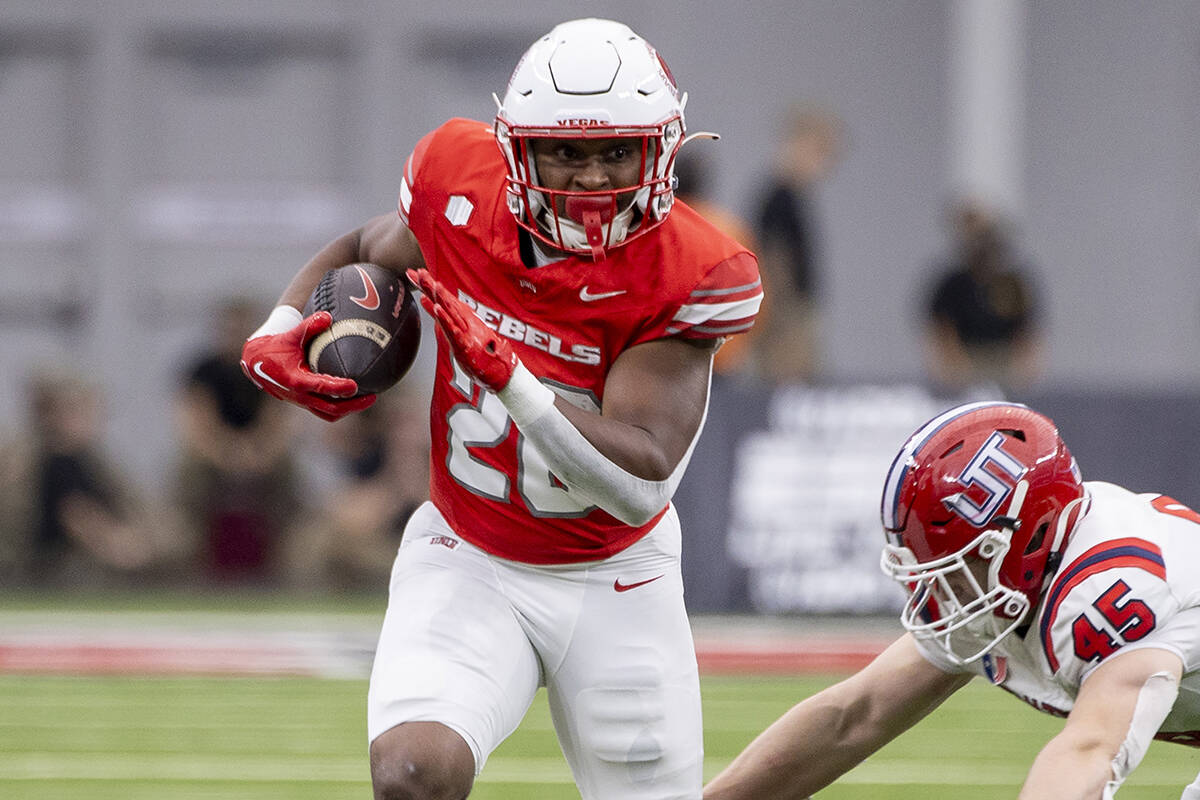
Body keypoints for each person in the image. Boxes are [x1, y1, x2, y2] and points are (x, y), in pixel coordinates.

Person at [239, 18, 762, 800]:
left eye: (616, 152)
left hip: (615, 574)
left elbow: (641, 483)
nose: (593, 178)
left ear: (659, 151)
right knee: (413, 774)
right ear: (517, 152)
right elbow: (367, 249)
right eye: (566, 154)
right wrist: (280, 328)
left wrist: (512, 377)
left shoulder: (690, 269)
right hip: (468, 551)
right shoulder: (458, 189)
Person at [704, 401, 1200, 800]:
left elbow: (1089, 753)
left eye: (958, 566)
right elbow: (854, 718)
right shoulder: (1017, 583)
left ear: (1029, 537)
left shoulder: (1110, 588)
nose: (942, 591)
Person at [0, 370, 184, 588]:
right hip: (48, 571)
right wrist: (129, 546)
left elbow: (133, 503)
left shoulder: (89, 459)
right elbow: (79, 518)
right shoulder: (53, 460)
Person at [174, 296, 304, 583]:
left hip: (261, 452)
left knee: (289, 474)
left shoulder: (270, 365)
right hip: (213, 453)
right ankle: (187, 556)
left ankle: (287, 558)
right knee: (189, 475)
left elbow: (281, 420)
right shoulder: (203, 372)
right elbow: (195, 426)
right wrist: (227, 453)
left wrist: (259, 453)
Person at [751, 104, 842, 383]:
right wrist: (780, 322)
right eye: (820, 152)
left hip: (791, 315)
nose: (824, 164)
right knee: (789, 385)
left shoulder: (789, 198)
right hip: (786, 319)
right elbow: (772, 261)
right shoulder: (779, 199)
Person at [923, 198, 1044, 397]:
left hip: (1003, 360)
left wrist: (1026, 362)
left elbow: (1026, 327)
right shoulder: (954, 283)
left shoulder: (1012, 282)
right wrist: (949, 362)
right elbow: (941, 326)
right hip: (967, 361)